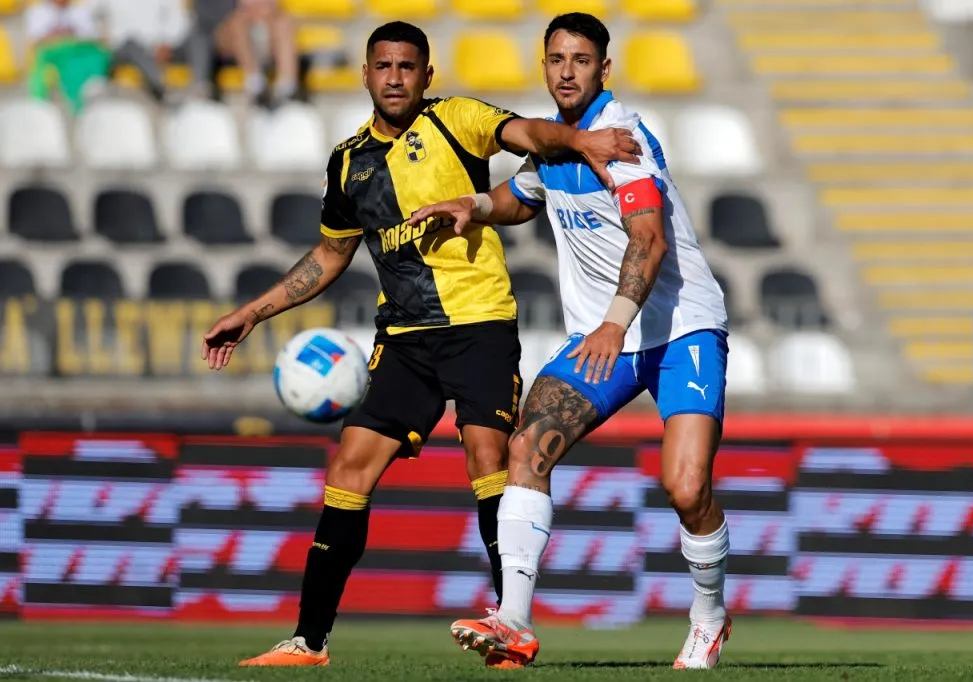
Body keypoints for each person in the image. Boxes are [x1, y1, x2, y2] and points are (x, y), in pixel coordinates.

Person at [200, 20, 641, 667]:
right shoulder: (349, 162)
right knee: (349, 467)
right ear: (367, 74)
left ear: (426, 75)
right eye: (385, 67)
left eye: (409, 67)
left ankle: (508, 627)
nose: (396, 78)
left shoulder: (456, 120)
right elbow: (329, 256)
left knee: (487, 455)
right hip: (404, 336)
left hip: (479, 324)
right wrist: (253, 313)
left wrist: (579, 139)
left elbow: (527, 133)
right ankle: (308, 641)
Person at [410, 12, 731, 671]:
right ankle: (515, 621)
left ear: (602, 69)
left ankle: (709, 614)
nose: (565, 70)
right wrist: (472, 205)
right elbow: (523, 197)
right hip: (604, 334)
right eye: (556, 58)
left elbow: (650, 239)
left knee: (686, 487)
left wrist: (615, 321)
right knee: (526, 445)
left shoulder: (624, 141)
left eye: (580, 59)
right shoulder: (555, 148)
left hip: (679, 328)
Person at [90, 0, 190, 103]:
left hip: (155, 48)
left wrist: (167, 43)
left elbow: (177, 20)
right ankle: (161, 87)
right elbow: (94, 16)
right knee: (132, 44)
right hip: (121, 47)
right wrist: (103, 34)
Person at [26, 0, 110, 114]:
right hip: (54, 54)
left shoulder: (82, 10)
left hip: (79, 52)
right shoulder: (37, 11)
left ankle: (94, 91)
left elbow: (90, 39)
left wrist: (69, 37)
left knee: (97, 55)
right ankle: (79, 103)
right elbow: (37, 42)